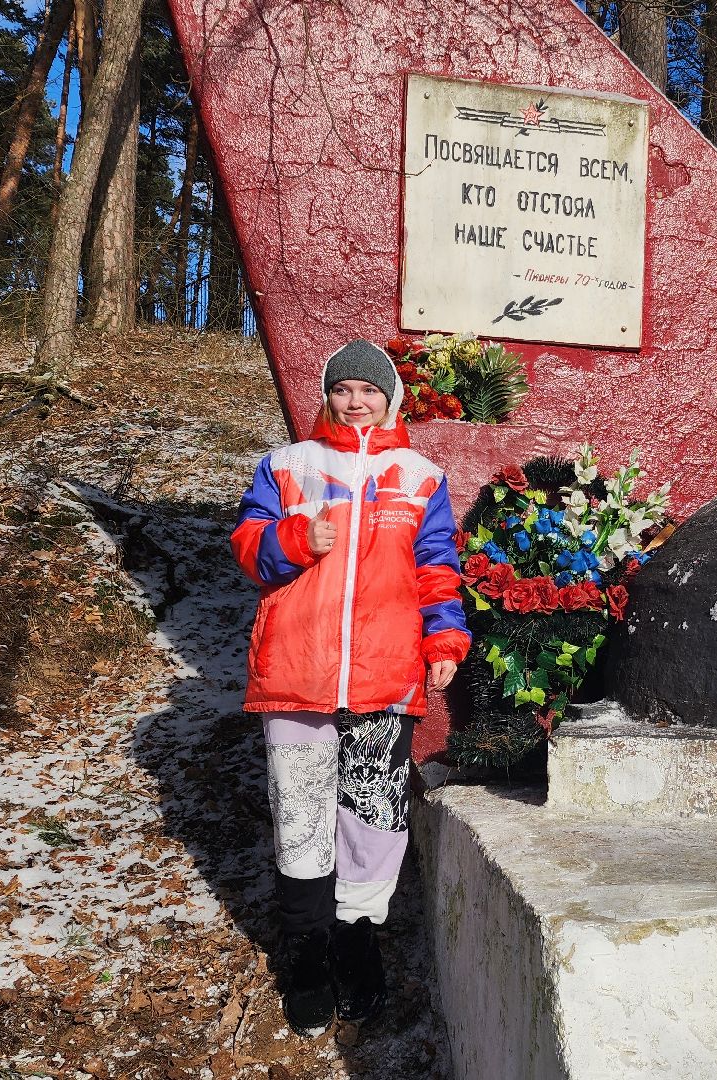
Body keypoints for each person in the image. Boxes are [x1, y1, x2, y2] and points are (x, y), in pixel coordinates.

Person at [229, 339, 470, 1037]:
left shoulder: (418, 474)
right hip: (296, 673)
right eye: (343, 390)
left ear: (390, 398)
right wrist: (300, 535)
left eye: (369, 390)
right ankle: (305, 954)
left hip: (385, 674)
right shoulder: (288, 465)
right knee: (301, 813)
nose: (355, 401)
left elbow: (436, 566)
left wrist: (444, 639)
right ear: (328, 396)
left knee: (374, 813)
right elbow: (248, 547)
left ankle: (356, 941)